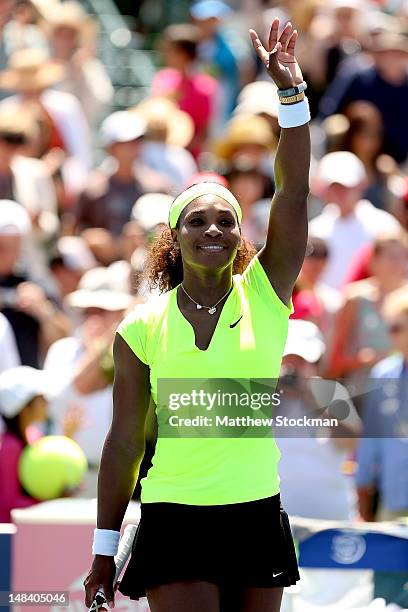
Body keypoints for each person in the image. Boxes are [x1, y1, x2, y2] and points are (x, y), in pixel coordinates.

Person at [84, 17, 310, 612]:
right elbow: (124, 441)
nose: (213, 228)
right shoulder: (140, 327)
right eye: (197, 220)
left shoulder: (265, 291)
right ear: (174, 237)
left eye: (226, 220)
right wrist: (104, 552)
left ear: (242, 237)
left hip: (256, 512)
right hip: (174, 518)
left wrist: (291, 96)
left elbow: (292, 192)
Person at [277, 319, 361, 520]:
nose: (294, 369)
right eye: (289, 361)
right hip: (281, 521)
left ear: (318, 363)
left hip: (329, 517)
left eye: (302, 361)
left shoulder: (332, 393)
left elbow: (350, 442)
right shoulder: (265, 395)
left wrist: (316, 400)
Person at [310, 151, 401, 289]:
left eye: (346, 186)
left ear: (362, 185)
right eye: (334, 186)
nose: (340, 192)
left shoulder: (384, 225)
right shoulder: (315, 229)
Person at [356, 284, 408, 521]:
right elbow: (371, 439)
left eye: (397, 328)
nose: (390, 335)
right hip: (393, 499)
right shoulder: (383, 373)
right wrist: (363, 490)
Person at [74, 111, 170, 237]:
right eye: (127, 142)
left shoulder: (158, 187)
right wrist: (91, 237)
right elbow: (75, 230)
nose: (135, 146)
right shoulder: (92, 190)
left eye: (138, 141)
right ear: (111, 148)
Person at [327, 232, 408, 380]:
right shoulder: (355, 298)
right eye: (391, 256)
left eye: (402, 256)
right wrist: (362, 360)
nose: (397, 263)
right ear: (373, 260)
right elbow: (335, 359)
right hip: (360, 391)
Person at [0, 199, 71, 367]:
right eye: (1, 247)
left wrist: (43, 311)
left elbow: (63, 340)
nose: (7, 255)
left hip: (22, 385)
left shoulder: (35, 281)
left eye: (13, 247)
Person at [0, 365, 47, 521]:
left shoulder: (35, 435)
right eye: (41, 397)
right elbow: (9, 504)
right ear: (25, 407)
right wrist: (52, 501)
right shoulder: (9, 447)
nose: (47, 401)